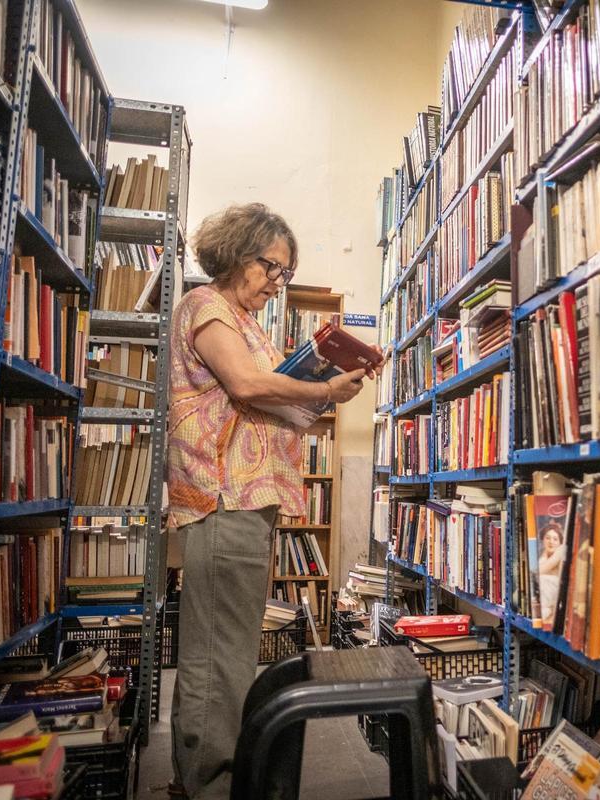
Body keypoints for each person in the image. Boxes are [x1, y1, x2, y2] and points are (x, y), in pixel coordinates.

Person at [166, 203, 378, 800]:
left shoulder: (245, 322)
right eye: (270, 267)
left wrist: (329, 391)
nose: (276, 283)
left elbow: (273, 403)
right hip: (221, 499)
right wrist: (321, 387)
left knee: (227, 652)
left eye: (284, 273)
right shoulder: (207, 307)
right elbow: (247, 385)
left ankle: (201, 780)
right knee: (218, 658)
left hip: (244, 505)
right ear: (237, 252)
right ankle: (207, 787)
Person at [537, 524, 565, 626]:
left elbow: (537, 572)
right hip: (544, 603)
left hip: (554, 597)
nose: (551, 542)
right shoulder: (543, 555)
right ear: (543, 540)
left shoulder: (561, 551)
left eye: (555, 539)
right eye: (547, 538)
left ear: (560, 542)